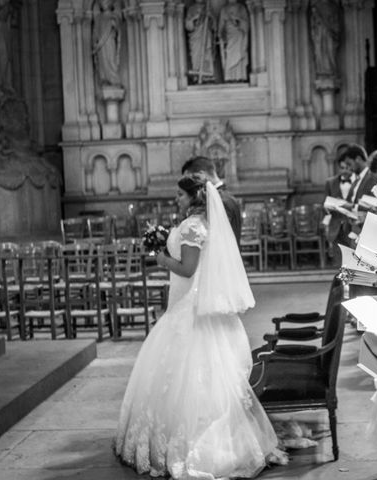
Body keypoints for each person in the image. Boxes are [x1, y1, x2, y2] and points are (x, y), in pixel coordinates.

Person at [115, 176, 286, 478]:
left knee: (188, 374)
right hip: (189, 302)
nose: (176, 199)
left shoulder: (194, 226)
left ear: (193, 197)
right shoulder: (201, 224)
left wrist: (162, 259)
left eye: (180, 195)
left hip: (190, 308)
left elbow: (188, 269)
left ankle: (193, 444)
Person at [182, 156, 242, 245]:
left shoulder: (221, 200)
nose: (190, 188)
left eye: (191, 181)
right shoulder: (224, 196)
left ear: (200, 175)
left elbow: (217, 240)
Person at [185, 0, 216, 84]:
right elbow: (188, 25)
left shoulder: (208, 8)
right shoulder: (191, 9)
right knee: (196, 55)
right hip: (196, 37)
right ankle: (197, 75)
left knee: (207, 54)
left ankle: (207, 75)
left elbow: (214, 26)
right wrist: (195, 18)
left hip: (206, 35)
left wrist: (210, 17)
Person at [92, 0, 122, 87]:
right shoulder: (98, 18)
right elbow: (95, 32)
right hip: (101, 47)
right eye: (102, 2)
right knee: (103, 62)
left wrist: (114, 25)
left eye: (106, 2)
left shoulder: (114, 16)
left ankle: (114, 80)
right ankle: (104, 79)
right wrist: (94, 43)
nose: (104, 3)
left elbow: (119, 33)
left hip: (110, 43)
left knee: (111, 61)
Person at [218, 0, 249, 82]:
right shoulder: (224, 9)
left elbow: (246, 24)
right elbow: (221, 26)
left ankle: (240, 76)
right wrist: (221, 35)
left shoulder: (241, 8)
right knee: (230, 55)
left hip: (239, 34)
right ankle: (230, 77)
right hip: (229, 36)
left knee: (239, 54)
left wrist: (237, 20)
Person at [309, 0, 341, 78]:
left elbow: (337, 23)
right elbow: (313, 25)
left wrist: (333, 30)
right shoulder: (316, 7)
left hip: (330, 35)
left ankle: (332, 71)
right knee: (320, 52)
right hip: (319, 36)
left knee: (330, 51)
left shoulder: (333, 7)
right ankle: (322, 72)